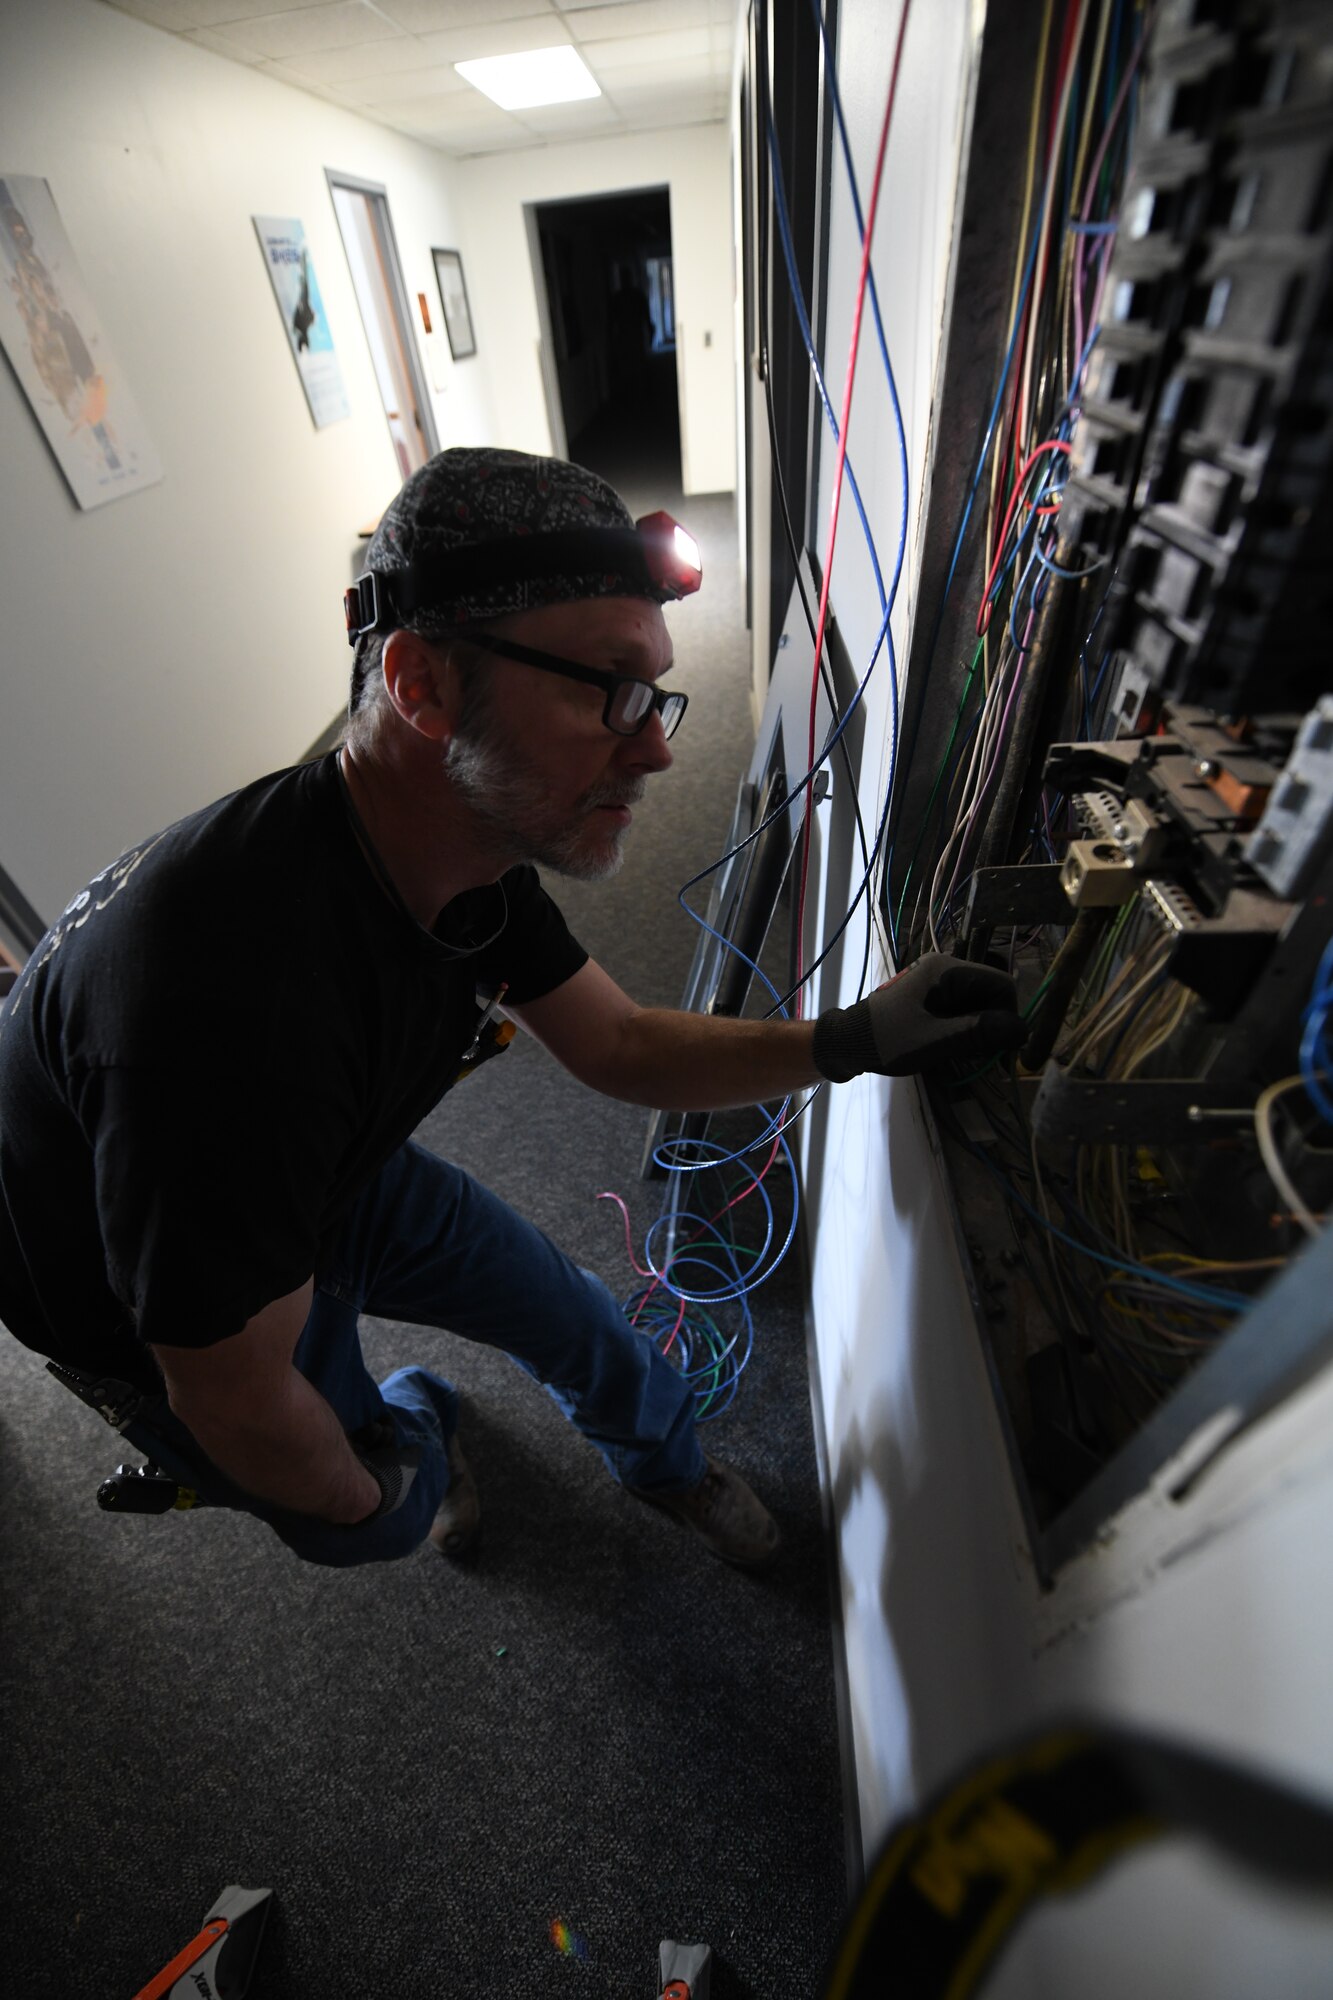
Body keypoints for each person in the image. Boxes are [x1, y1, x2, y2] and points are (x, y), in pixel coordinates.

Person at [0, 447, 1025, 1574]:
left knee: (568, 1306)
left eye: (656, 689)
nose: (658, 744)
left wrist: (854, 1038)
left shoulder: (464, 857)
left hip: (318, 1164)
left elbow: (619, 1040)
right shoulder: (231, 1014)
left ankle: (667, 1465)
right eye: (608, 687)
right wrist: (366, 1491)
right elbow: (229, 1394)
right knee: (368, 1511)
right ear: (421, 685)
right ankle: (418, 1425)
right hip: (153, 1293)